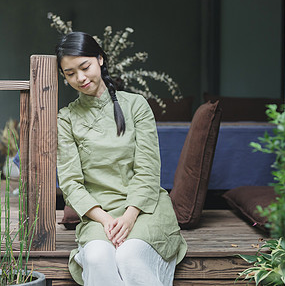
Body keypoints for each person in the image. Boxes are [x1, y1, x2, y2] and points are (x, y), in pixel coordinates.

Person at [55, 32, 187, 286]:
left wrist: (128, 217)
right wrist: (106, 220)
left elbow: (148, 169)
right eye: (70, 74)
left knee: (130, 256)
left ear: (100, 60)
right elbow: (71, 184)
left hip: (143, 208)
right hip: (98, 214)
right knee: (96, 257)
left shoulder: (136, 105)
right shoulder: (66, 118)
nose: (80, 78)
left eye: (85, 67)